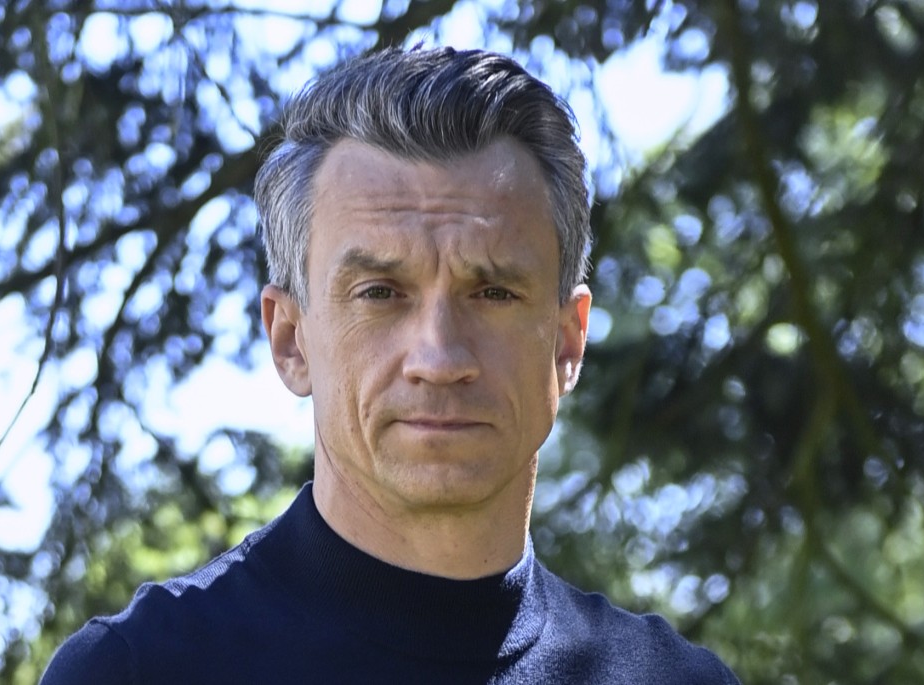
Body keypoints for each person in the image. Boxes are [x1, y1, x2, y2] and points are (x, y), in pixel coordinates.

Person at [40, 45, 740, 684]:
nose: (439, 357)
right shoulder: (138, 671)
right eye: (380, 292)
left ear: (566, 342)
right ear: (290, 340)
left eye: (493, 292)